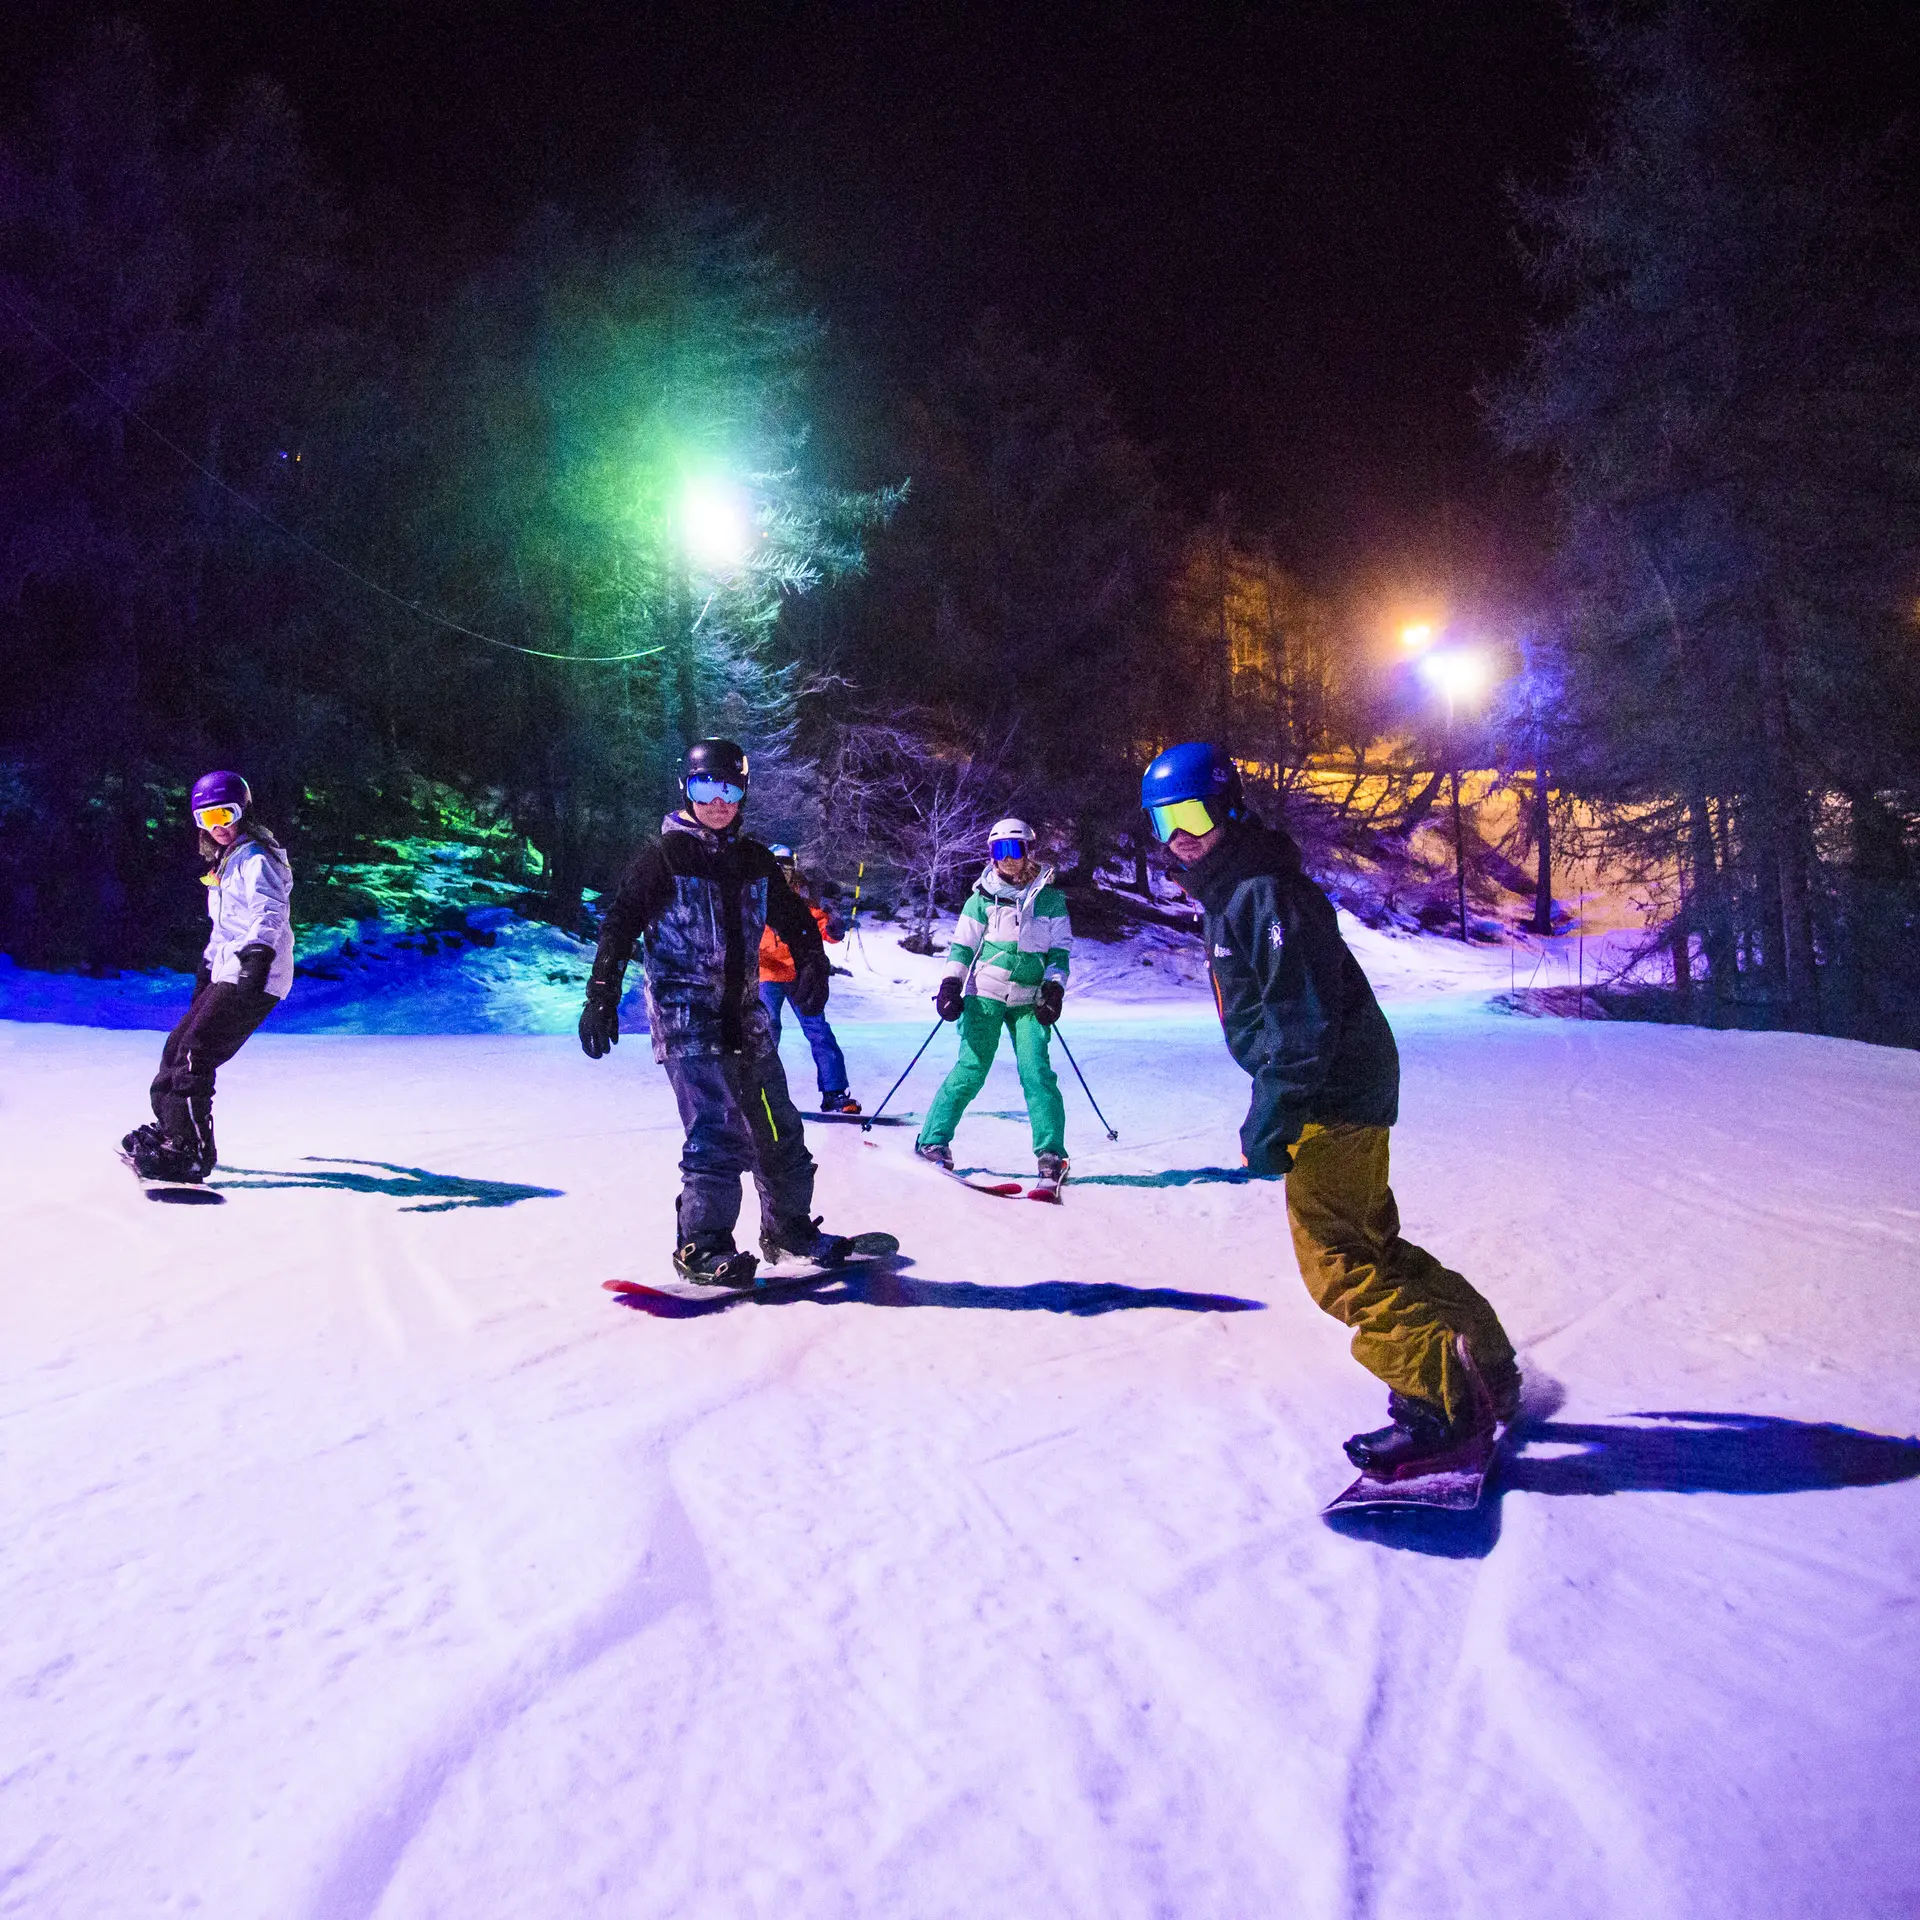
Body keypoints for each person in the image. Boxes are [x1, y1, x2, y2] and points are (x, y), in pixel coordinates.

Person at [1141, 741, 1520, 1476]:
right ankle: (1485, 1365)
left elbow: (1300, 1019)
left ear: (1226, 806)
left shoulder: (1261, 893)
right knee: (1375, 1250)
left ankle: (1442, 1408)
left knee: (1340, 1266)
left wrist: (1272, 1119)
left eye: (1190, 813)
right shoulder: (1237, 888)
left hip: (1330, 1095)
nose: (1179, 835)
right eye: (1163, 822)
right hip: (1343, 1087)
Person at [578, 740, 863, 1287]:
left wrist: (812, 963)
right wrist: (601, 994)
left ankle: (789, 1230)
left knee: (779, 1126)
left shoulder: (755, 861)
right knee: (716, 1130)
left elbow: (796, 920)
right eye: (706, 787)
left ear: (742, 794)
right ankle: (702, 1245)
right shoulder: (663, 858)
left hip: (747, 1015)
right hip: (686, 1016)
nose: (718, 801)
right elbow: (619, 925)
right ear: (686, 787)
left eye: (729, 789)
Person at [120, 771, 293, 1183]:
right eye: (206, 817)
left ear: (243, 812)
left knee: (196, 1052)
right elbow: (225, 928)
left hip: (258, 973)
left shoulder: (255, 858)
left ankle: (192, 1153)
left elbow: (268, 913)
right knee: (178, 1045)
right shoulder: (227, 860)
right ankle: (173, 1132)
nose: (217, 826)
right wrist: (207, 969)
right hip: (229, 969)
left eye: (225, 814)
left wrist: (255, 960)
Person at [914, 817, 1073, 1187]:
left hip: (1029, 999)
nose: (1006, 859)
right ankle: (933, 1140)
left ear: (1029, 851)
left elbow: (1060, 952)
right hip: (984, 994)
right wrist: (951, 984)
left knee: (1037, 1074)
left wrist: (1054, 988)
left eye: (1014, 850)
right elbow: (962, 946)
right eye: (998, 851)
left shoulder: (1050, 899)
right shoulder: (980, 898)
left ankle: (1052, 1155)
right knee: (971, 1068)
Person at [759, 844, 860, 1115]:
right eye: (777, 865)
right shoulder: (755, 898)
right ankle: (759, 1092)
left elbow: (822, 928)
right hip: (766, 974)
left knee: (818, 1030)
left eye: (787, 865)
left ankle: (835, 1092)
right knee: (766, 1031)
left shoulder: (804, 902)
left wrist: (835, 928)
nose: (783, 871)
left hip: (800, 975)